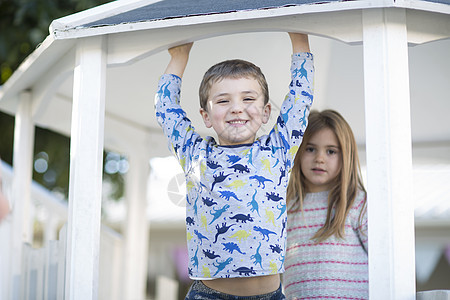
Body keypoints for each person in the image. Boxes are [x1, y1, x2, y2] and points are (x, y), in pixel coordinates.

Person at [155, 33, 314, 299]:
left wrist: (300, 41)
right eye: (223, 100)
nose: (237, 108)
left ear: (265, 112)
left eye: (248, 99)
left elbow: (300, 99)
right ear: (206, 116)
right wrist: (179, 57)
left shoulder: (278, 149)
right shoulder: (195, 153)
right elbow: (166, 109)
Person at [283, 109, 368, 299]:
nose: (319, 158)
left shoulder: (358, 202)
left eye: (331, 151)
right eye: (310, 149)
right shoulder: (284, 207)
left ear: (346, 156)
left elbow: (384, 261)